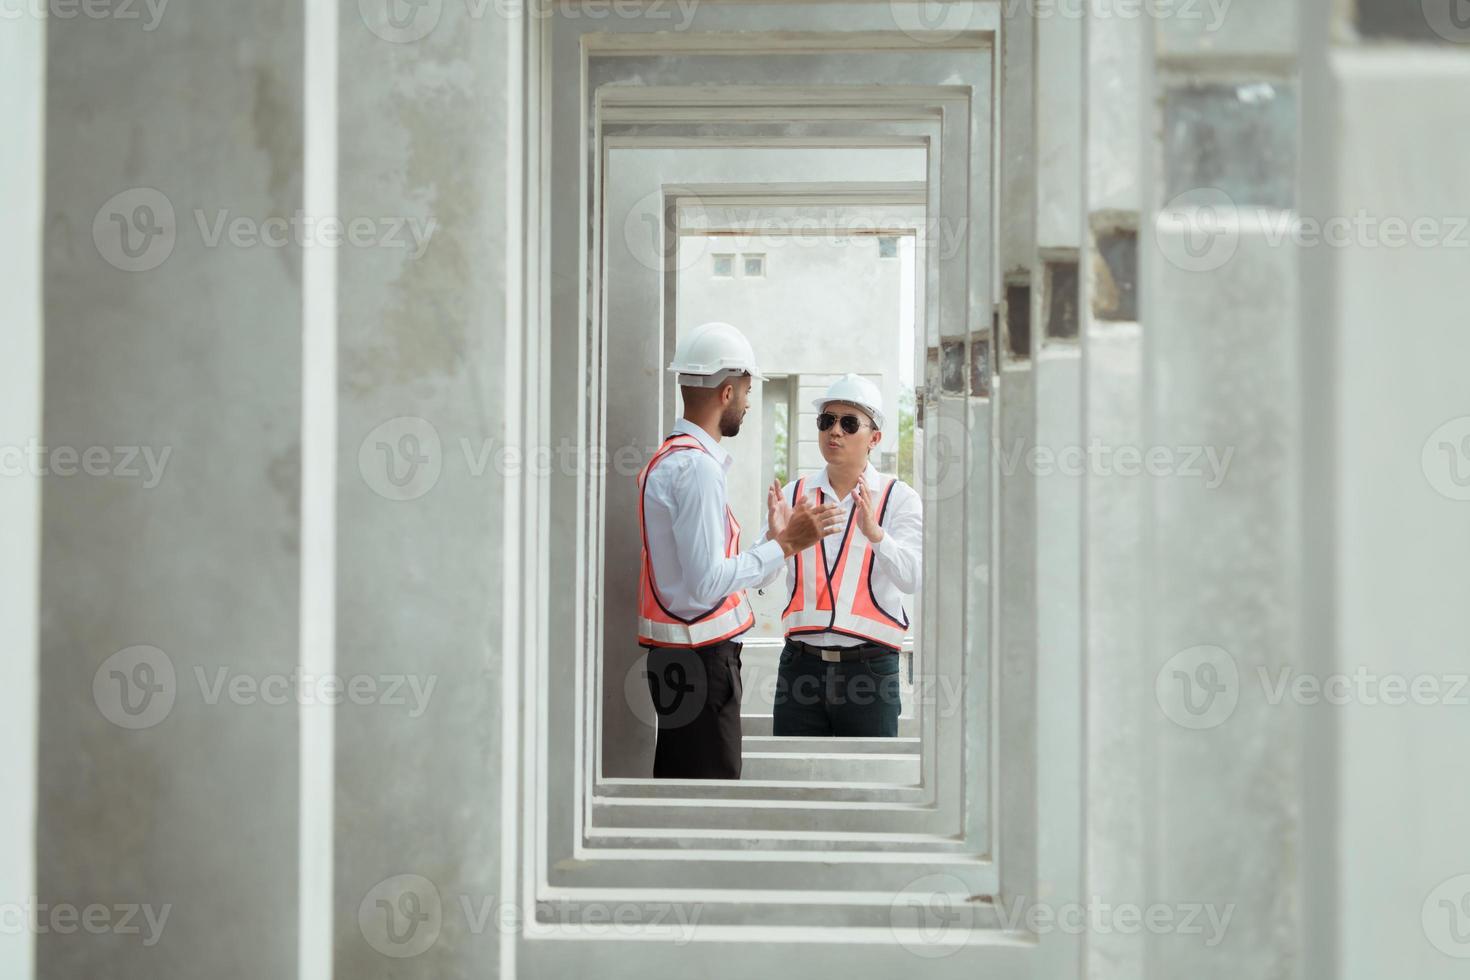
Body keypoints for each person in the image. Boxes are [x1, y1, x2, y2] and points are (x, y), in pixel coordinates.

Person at [637, 322, 844, 779]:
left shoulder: (673, 458)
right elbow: (707, 582)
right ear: (727, 392)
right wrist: (788, 543)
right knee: (708, 796)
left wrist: (773, 544)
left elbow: (710, 573)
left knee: (683, 789)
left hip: (684, 659)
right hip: (701, 663)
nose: (749, 404)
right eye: (748, 392)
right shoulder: (697, 470)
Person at [756, 374, 923, 738]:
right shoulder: (795, 493)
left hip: (870, 671)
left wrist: (877, 535)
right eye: (827, 421)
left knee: (869, 783)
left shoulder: (899, 499)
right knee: (795, 783)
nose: (835, 431)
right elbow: (758, 578)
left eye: (849, 423)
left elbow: (913, 578)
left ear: (874, 438)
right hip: (800, 667)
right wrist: (775, 538)